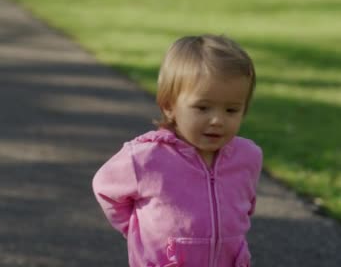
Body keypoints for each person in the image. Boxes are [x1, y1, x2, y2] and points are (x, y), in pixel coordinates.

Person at [92, 34, 263, 267]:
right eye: (202, 108)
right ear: (170, 106)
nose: (217, 120)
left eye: (231, 110)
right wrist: (135, 228)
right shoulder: (147, 158)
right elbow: (105, 188)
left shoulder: (247, 156)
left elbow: (245, 202)